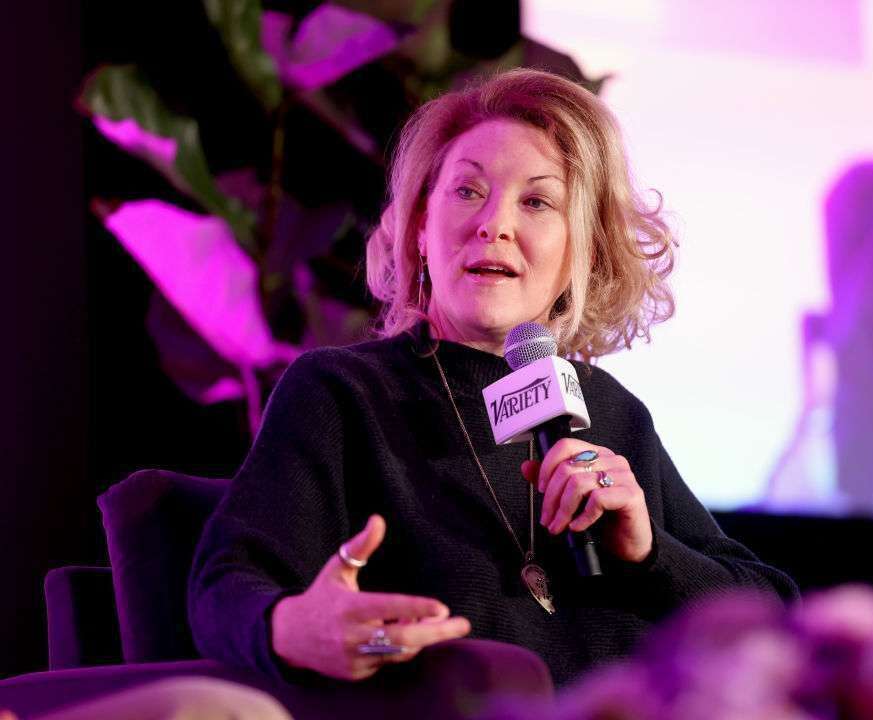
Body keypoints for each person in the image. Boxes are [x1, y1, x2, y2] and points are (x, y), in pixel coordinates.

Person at [188, 68, 798, 688]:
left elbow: (771, 614)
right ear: (421, 229)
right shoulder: (343, 395)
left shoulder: (611, 413)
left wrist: (648, 552)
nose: (494, 224)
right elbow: (225, 588)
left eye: (536, 201)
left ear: (580, 249)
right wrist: (295, 628)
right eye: (467, 192)